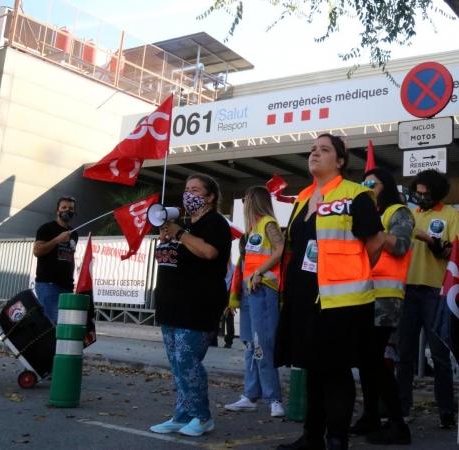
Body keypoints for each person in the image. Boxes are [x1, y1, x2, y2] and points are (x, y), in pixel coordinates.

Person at [275, 133, 384, 450]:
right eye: (312, 149)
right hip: (304, 297)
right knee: (312, 368)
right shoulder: (302, 198)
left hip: (342, 300)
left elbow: (375, 244)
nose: (315, 154)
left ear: (339, 161)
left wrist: (351, 273)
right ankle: (312, 437)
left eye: (324, 150)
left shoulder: (355, 195)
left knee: (335, 371)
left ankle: (336, 438)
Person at [149, 174, 232, 437]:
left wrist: (180, 234)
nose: (189, 194)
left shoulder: (215, 223)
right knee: (177, 364)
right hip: (171, 305)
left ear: (210, 197)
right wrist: (169, 237)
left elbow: (209, 253)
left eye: (196, 190)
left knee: (187, 360)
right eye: (186, 189)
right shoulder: (182, 226)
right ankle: (183, 413)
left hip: (198, 306)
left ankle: (202, 416)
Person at [395, 169, 459, 429]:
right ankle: (401, 410)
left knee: (439, 356)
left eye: (426, 193)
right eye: (418, 192)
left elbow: (455, 253)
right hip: (408, 290)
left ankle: (446, 412)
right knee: (404, 355)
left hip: (437, 291)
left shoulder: (450, 215)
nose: (421, 197)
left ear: (438, 193)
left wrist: (431, 240)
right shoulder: (408, 215)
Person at [350, 167, 414, 445]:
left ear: (385, 186)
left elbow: (401, 245)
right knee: (366, 360)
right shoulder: (371, 213)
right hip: (365, 294)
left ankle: (397, 424)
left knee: (375, 360)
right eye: (363, 183)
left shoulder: (398, 211)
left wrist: (375, 234)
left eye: (371, 184)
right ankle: (371, 416)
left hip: (386, 296)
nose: (366, 187)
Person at [225, 186, 285, 418]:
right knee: (250, 344)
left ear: (254, 201)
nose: (244, 204)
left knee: (262, 345)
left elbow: (279, 250)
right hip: (250, 292)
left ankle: (274, 399)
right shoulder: (252, 229)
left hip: (264, 290)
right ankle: (251, 395)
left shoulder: (268, 222)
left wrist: (260, 271)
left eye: (247, 199)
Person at [33, 196, 79, 325]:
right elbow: (37, 251)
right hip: (48, 284)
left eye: (70, 208)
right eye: (64, 208)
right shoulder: (46, 229)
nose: (67, 211)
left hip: (67, 285)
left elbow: (70, 257)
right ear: (57, 211)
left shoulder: (74, 233)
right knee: (54, 322)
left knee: (65, 323)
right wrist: (57, 240)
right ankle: (48, 346)